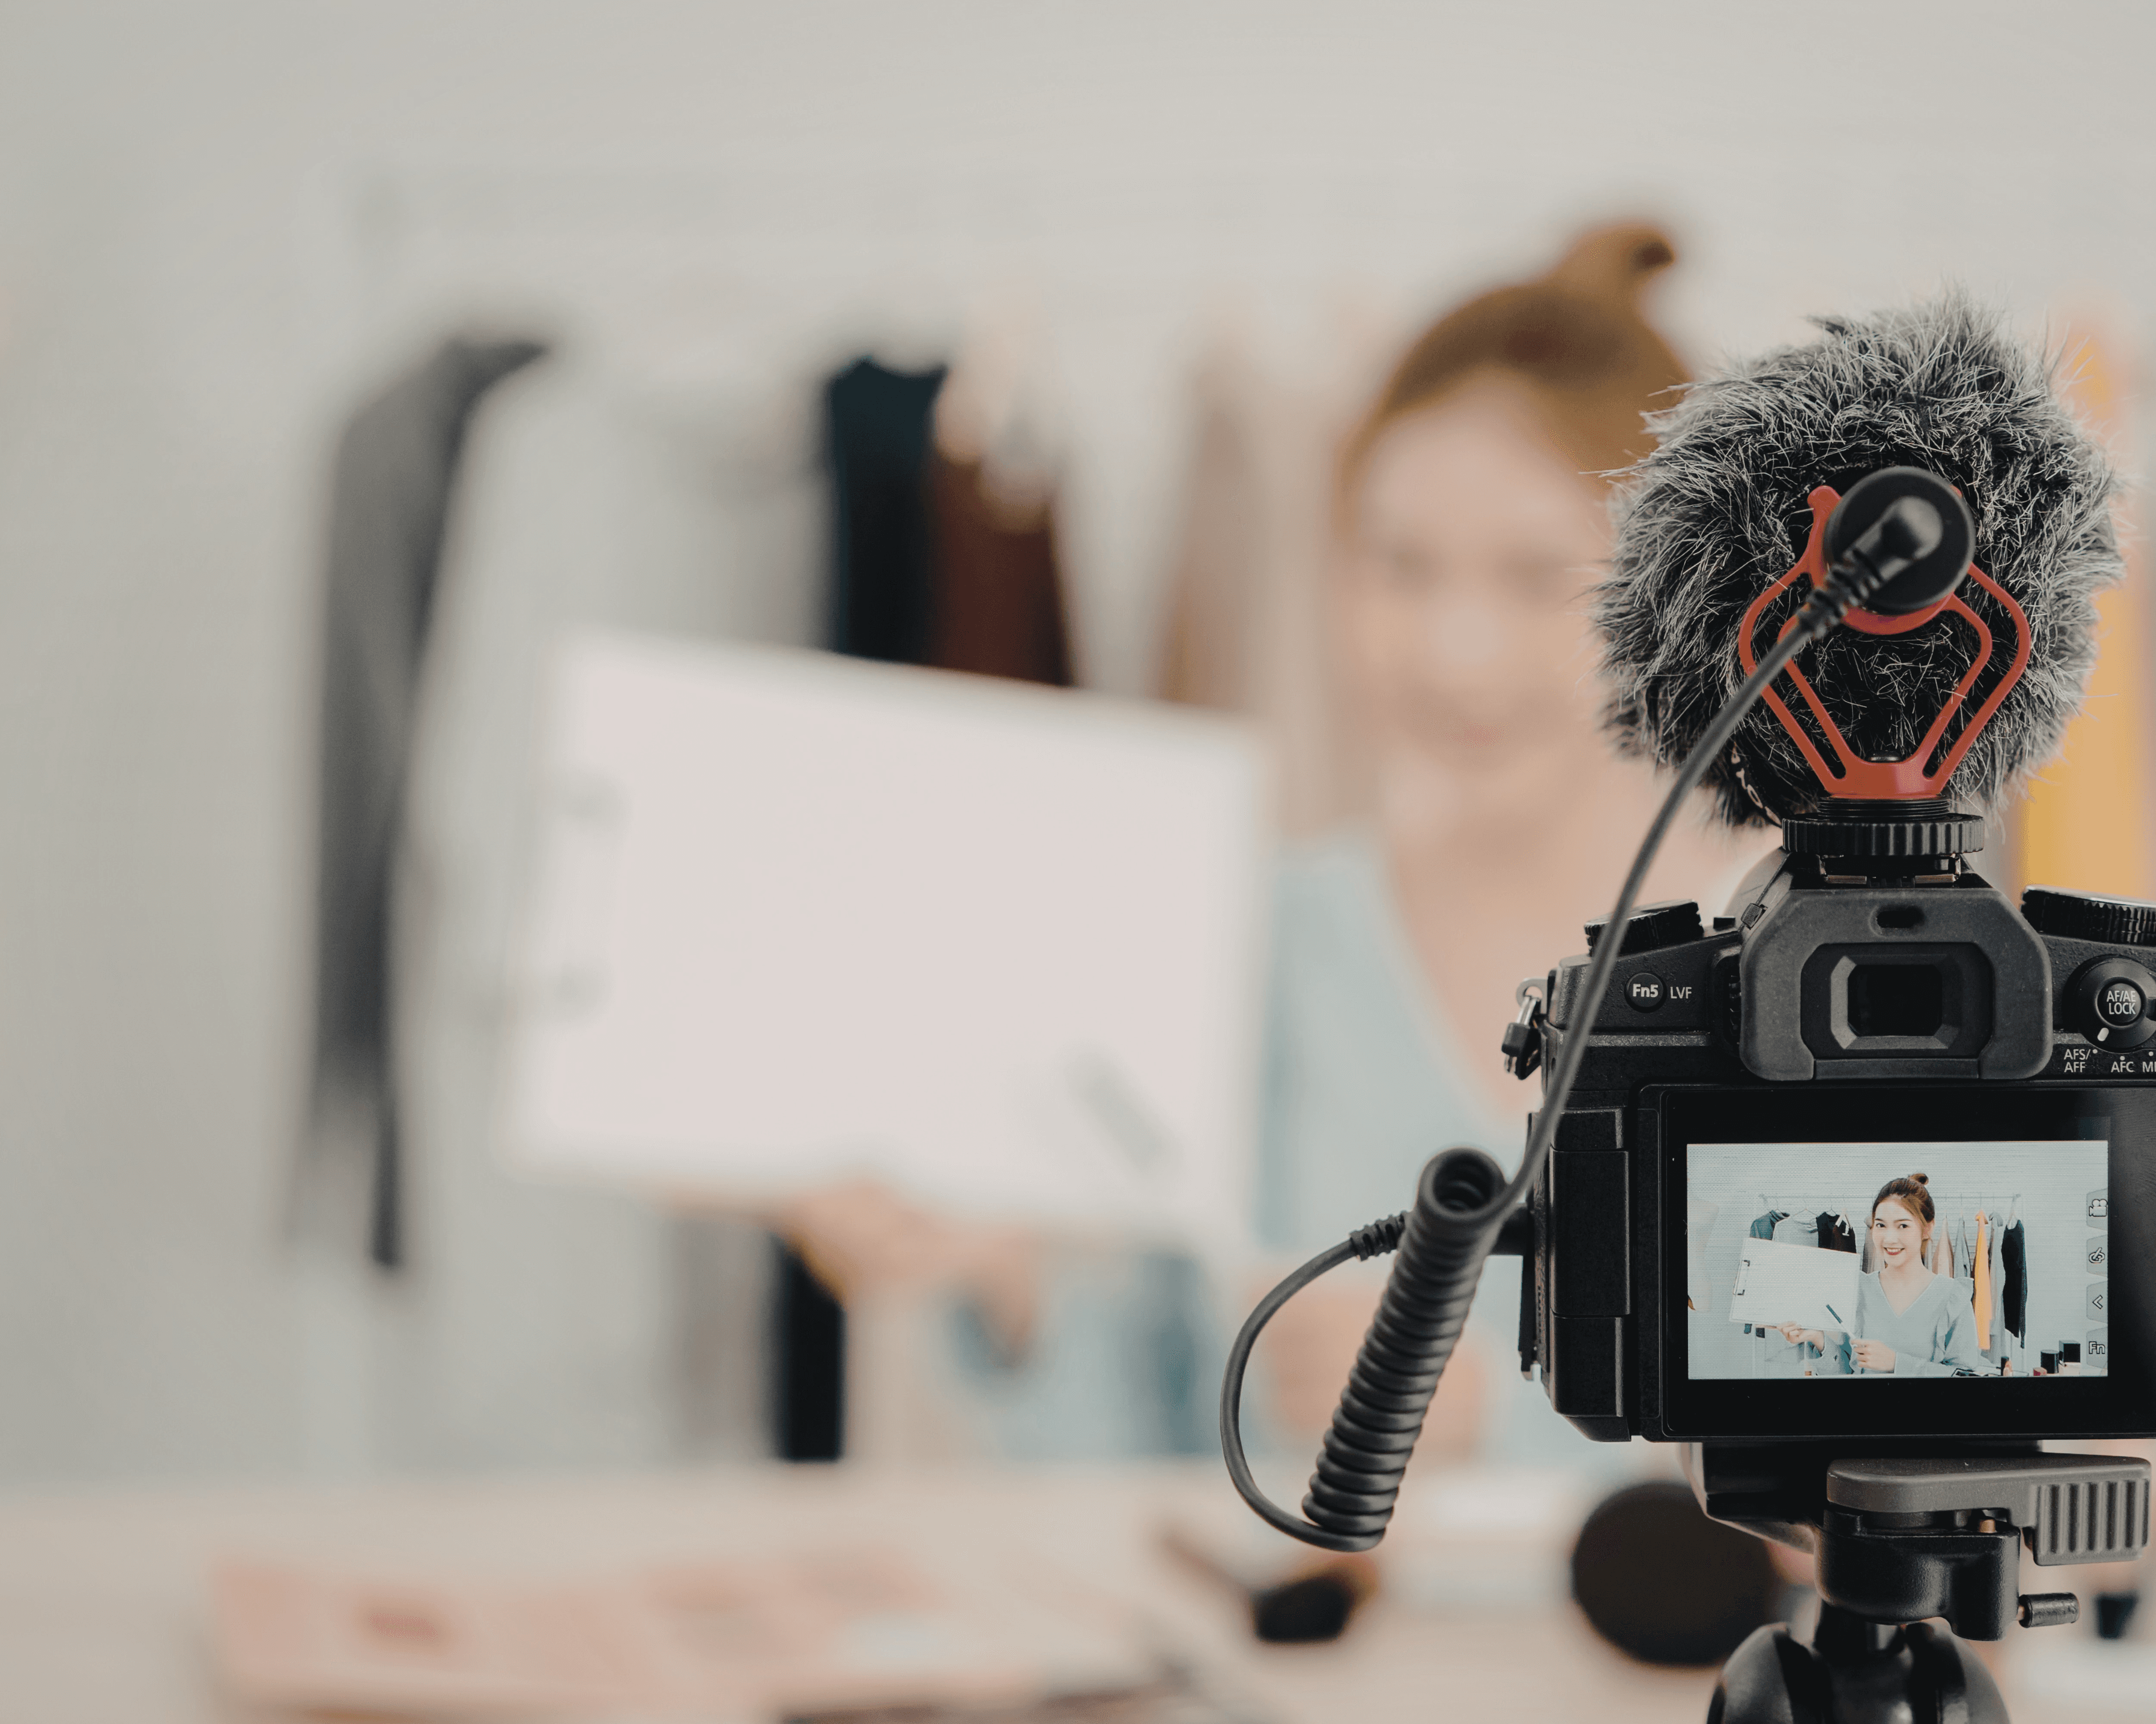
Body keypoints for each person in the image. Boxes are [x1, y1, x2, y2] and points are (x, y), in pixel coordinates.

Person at [783, 222, 1772, 1462]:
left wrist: (1501, 1418)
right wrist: (1009, 1284)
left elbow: (1882, 1439)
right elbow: (1148, 1442)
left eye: (1536, 579)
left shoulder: (1806, 965)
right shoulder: (1268, 938)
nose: (1453, 648)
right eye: (1399, 566)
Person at [1786, 1175, 1983, 1378]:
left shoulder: (1953, 1296)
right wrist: (1820, 1340)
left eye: (1903, 1226)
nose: (1889, 1239)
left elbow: (1965, 1378)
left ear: (1927, 1228)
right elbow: (1847, 1372)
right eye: (1881, 1225)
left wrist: (1897, 1363)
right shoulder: (1859, 1288)